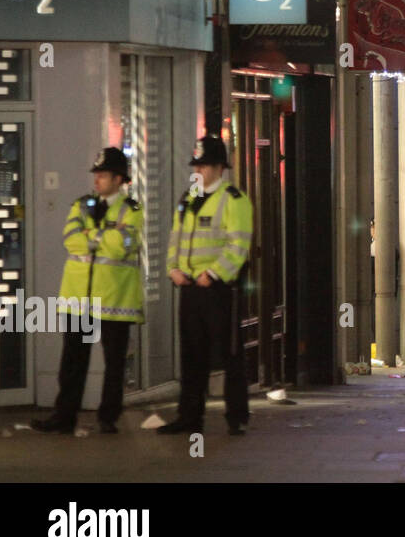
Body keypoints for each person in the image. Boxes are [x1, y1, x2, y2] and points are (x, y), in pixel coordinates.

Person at [33, 148, 144, 435]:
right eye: (95, 174)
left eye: (103, 175)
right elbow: (70, 240)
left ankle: (108, 417)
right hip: (79, 299)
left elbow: (124, 243)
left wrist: (91, 235)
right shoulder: (80, 205)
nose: (97, 179)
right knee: (72, 362)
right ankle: (64, 416)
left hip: (114, 299)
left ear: (119, 179)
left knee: (114, 364)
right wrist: (105, 236)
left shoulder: (131, 210)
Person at [159, 135, 253, 436]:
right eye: (195, 165)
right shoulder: (188, 198)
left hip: (218, 290)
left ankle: (236, 416)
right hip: (189, 288)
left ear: (218, 168)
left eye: (202, 165)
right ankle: (189, 417)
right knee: (191, 356)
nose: (197, 170)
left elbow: (238, 244)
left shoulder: (233, 199)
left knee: (230, 354)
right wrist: (172, 268)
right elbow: (176, 238)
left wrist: (212, 274)